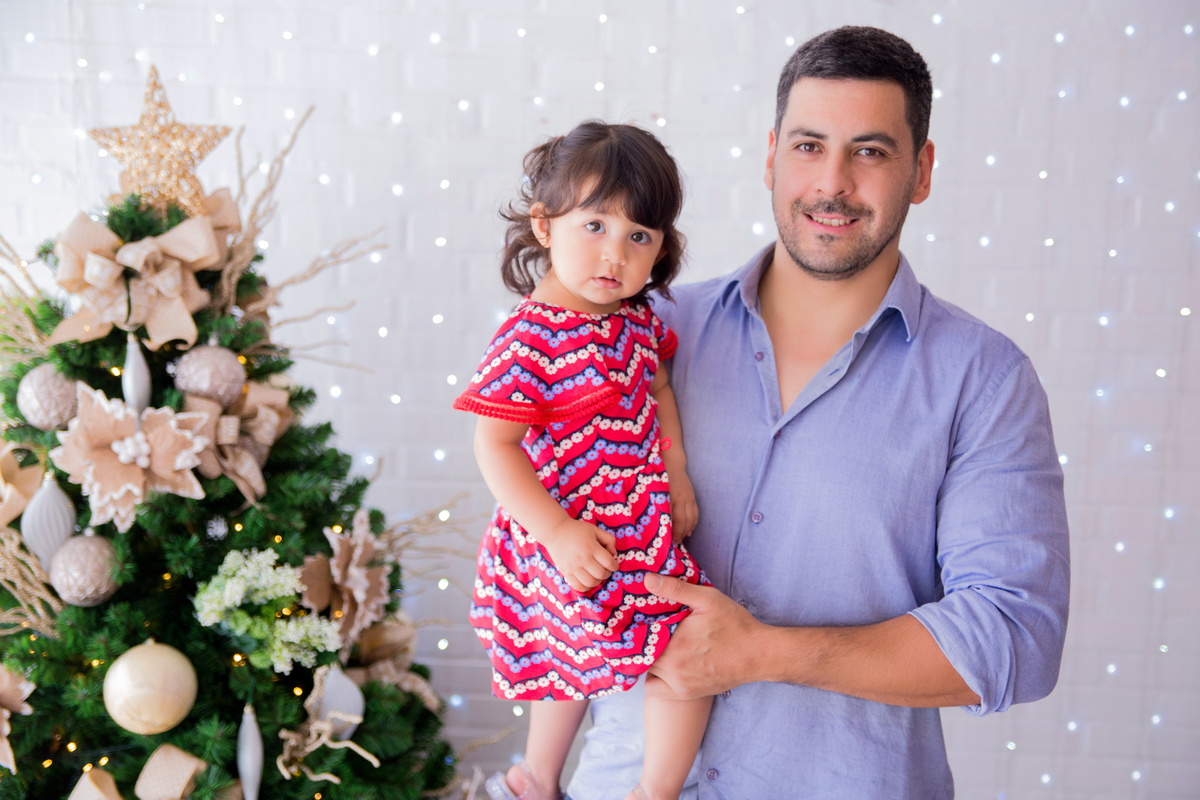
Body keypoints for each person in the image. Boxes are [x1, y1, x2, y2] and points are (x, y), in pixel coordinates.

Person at [566, 26, 1071, 800]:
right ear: (771, 157)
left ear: (921, 171)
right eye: (809, 146)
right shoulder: (648, 332)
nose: (832, 183)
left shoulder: (985, 379)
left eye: (869, 151)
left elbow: (1016, 635)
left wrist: (765, 652)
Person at [454, 121, 713, 800]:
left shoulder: (633, 321)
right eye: (595, 226)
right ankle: (550, 777)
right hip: (565, 531)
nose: (615, 255)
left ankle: (622, 787)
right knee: (593, 654)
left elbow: (659, 387)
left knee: (682, 651)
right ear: (544, 225)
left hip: (634, 523)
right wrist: (557, 532)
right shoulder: (529, 339)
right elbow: (494, 445)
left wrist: (676, 470)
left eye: (639, 237)